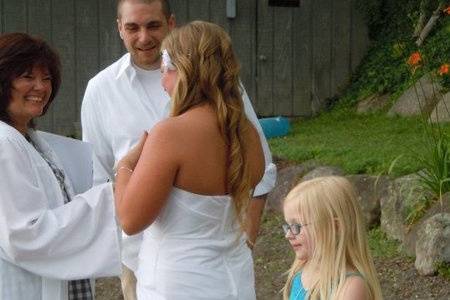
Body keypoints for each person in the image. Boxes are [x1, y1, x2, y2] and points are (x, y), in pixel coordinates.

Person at [80, 0, 276, 298]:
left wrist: (125, 168)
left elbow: (131, 220)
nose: (161, 80)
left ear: (183, 71)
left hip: (179, 280)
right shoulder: (244, 131)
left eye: (165, 71)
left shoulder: (169, 134)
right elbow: (260, 179)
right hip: (233, 274)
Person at [0, 32, 121, 300]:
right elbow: (23, 234)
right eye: (27, 77)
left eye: (46, 78)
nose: (41, 87)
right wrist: (111, 196)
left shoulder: (32, 140)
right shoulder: (3, 143)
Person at [282, 176, 382, 300]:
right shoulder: (302, 269)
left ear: (335, 227)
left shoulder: (350, 287)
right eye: (288, 226)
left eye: (297, 226)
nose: (288, 235)